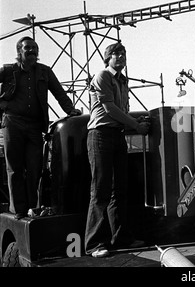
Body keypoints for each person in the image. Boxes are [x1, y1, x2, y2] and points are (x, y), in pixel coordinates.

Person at [0, 36, 82, 220]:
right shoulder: (8, 70)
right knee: (14, 168)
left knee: (35, 167)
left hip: (35, 125)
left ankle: (31, 207)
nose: (32, 51)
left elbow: (59, 92)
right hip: (12, 122)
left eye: (34, 48)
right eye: (27, 48)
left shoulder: (45, 71)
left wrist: (71, 110)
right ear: (19, 51)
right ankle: (18, 210)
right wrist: (1, 103)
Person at [84, 42, 150, 258]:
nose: (120, 57)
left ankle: (121, 237)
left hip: (116, 135)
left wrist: (134, 120)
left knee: (120, 189)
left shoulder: (122, 81)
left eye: (123, 53)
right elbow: (109, 108)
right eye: (116, 54)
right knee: (101, 190)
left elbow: (121, 111)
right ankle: (94, 244)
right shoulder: (103, 76)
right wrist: (136, 125)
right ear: (107, 58)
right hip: (100, 135)